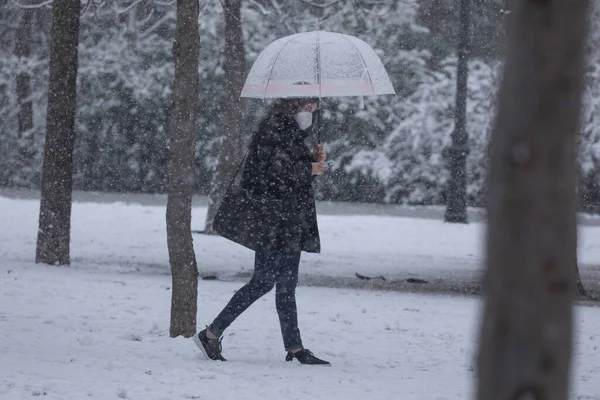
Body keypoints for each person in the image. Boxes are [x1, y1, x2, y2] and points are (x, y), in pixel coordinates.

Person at [193, 97, 331, 366]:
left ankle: (295, 347)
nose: (313, 111)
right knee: (264, 281)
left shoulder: (293, 134)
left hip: (291, 222)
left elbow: (291, 178)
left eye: (315, 107)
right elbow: (268, 176)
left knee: (287, 286)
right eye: (309, 106)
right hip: (272, 223)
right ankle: (211, 334)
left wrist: (314, 164)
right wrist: (307, 168)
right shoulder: (274, 129)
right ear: (294, 103)